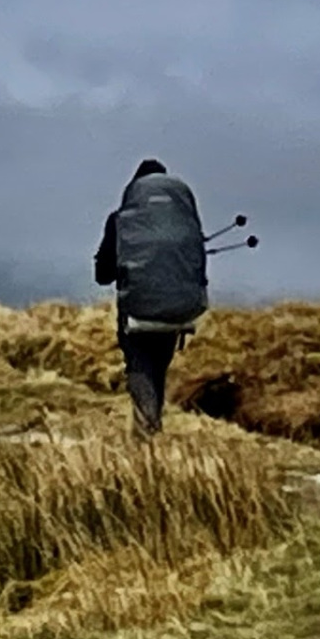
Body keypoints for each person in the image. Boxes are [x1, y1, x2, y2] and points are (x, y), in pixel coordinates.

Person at [94, 158, 207, 437]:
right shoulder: (183, 224)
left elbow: (103, 275)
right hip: (177, 310)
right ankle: (153, 426)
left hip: (137, 309)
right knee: (158, 365)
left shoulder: (121, 220)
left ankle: (147, 429)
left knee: (140, 365)